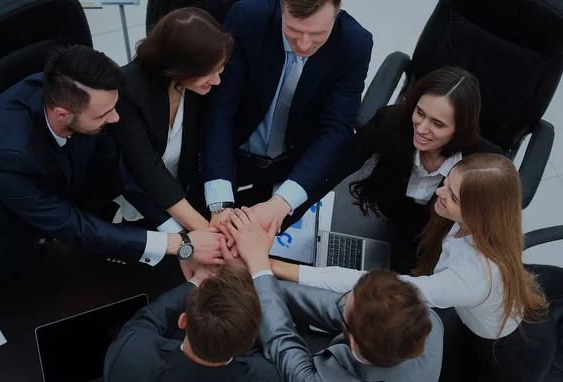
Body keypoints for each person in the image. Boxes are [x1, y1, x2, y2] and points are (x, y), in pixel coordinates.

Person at [270, 154, 557, 381]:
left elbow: (369, 285)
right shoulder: (487, 227)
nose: (440, 192)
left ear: (479, 212)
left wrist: (273, 266)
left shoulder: (471, 277)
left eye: (453, 197)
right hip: (490, 322)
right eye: (447, 182)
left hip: (505, 356)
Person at [0, 45, 223, 284]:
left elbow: (121, 169)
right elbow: (75, 227)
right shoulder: (5, 158)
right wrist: (180, 245)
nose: (114, 118)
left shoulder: (75, 95)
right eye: (104, 114)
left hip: (59, 200)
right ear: (62, 114)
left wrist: (181, 235)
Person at [287, 66, 502, 274]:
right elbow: (333, 168)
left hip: (441, 244)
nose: (422, 128)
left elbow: (484, 234)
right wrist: (284, 209)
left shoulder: (483, 162)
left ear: (460, 128)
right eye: (420, 112)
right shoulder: (390, 122)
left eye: (437, 124)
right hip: (388, 218)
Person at [198, 0, 373, 233]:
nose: (304, 44)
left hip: (295, 167)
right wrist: (219, 203)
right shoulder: (247, 18)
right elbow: (219, 108)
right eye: (294, 30)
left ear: (337, 12)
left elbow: (336, 130)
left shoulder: (355, 42)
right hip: (228, 154)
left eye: (317, 34)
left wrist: (282, 202)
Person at [216, 208, 444, 382]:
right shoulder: (427, 320)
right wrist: (259, 272)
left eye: (345, 303)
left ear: (353, 343)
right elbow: (330, 306)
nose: (339, 300)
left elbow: (282, 343)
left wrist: (256, 268)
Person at [109, 8, 234, 277]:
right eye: (208, 73)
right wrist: (207, 234)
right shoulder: (127, 91)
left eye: (219, 69)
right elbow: (147, 171)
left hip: (180, 200)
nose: (217, 79)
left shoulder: (198, 86)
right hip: (129, 207)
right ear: (179, 67)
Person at [104, 265, 281, 382]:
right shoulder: (264, 376)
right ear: (251, 338)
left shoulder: (132, 356)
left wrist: (197, 280)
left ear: (183, 321)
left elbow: (145, 320)